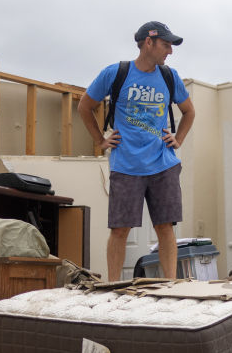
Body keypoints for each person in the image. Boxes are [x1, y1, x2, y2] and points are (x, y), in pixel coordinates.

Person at [77, 21, 196, 281]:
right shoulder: (115, 73)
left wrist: (179, 139)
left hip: (163, 164)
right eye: (166, 45)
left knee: (165, 228)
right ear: (148, 42)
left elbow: (189, 111)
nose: (170, 51)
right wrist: (100, 140)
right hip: (126, 166)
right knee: (120, 229)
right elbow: (84, 106)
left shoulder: (169, 76)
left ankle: (170, 284)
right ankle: (114, 286)